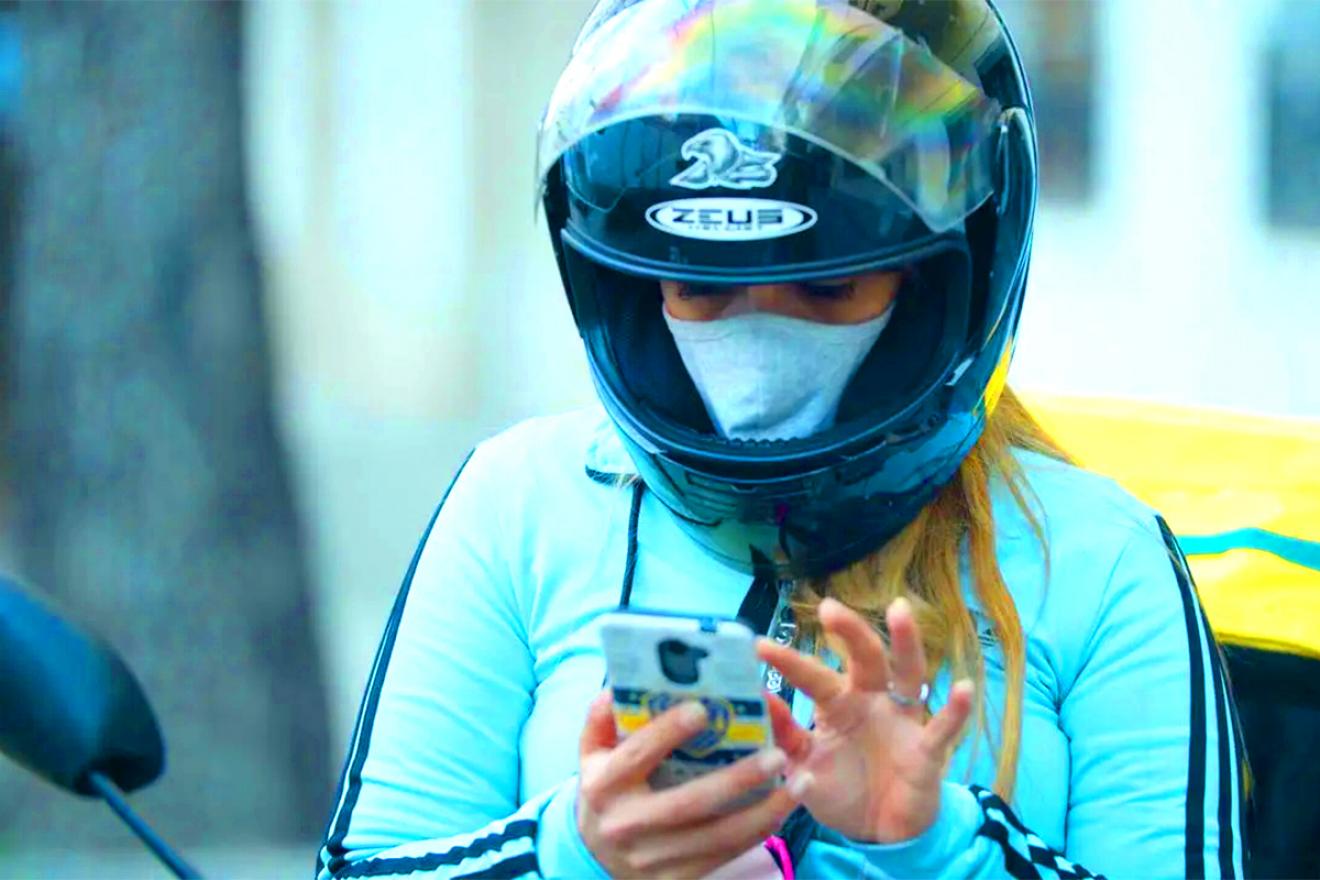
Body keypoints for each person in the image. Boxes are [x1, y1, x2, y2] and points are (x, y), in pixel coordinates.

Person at [315, 1, 1247, 877]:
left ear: (934, 284)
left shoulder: (1100, 563)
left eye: (826, 290)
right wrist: (573, 850)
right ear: (633, 287)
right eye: (701, 289)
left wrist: (932, 847)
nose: (755, 340)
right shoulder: (518, 506)